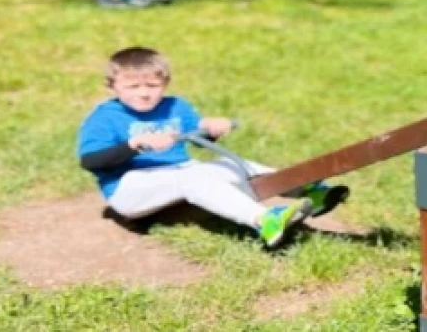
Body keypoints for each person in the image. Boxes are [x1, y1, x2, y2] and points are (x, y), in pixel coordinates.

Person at [77, 47, 350, 249]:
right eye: (132, 86)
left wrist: (211, 127)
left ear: (166, 83)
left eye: (152, 85)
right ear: (112, 86)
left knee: (231, 164)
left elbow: (197, 133)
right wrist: (133, 145)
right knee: (193, 176)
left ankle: (308, 190)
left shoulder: (175, 106)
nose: (144, 93)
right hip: (130, 187)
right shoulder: (105, 117)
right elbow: (90, 161)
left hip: (180, 171)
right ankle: (263, 220)